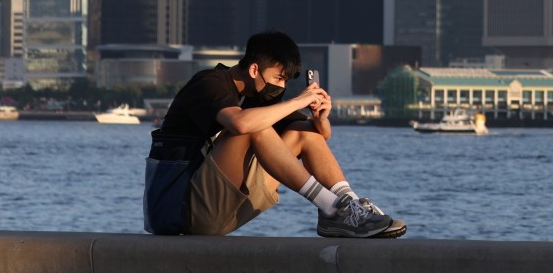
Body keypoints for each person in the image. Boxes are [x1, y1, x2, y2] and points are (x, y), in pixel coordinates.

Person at [144, 30, 405, 238]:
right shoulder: (210, 83)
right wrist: (296, 101)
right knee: (254, 128)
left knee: (302, 134)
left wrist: (320, 118)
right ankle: (332, 207)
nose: (280, 87)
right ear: (254, 69)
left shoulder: (256, 98)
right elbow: (241, 125)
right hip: (180, 209)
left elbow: (317, 137)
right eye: (278, 78)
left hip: (222, 208)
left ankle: (348, 207)